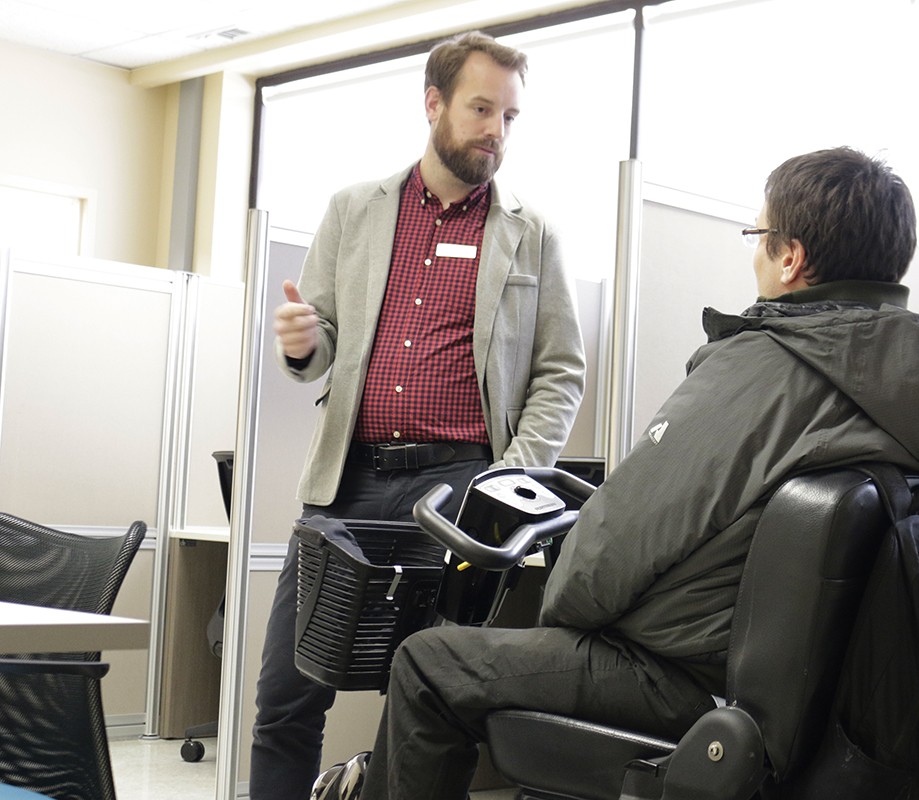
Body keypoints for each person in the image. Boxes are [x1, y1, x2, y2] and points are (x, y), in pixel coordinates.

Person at [357, 146, 919, 799]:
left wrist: (562, 596)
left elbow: (595, 573)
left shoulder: (761, 369)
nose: (755, 254)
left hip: (689, 684)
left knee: (429, 663)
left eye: (758, 236)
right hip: (826, 715)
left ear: (790, 258)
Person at [252, 30, 586, 800]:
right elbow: (321, 339)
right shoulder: (356, 210)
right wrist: (305, 344)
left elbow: (559, 372)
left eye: (509, 117)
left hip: (460, 494)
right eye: (480, 109)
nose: (495, 132)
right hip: (349, 485)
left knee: (417, 701)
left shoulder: (530, 232)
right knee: (286, 692)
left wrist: (511, 476)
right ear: (433, 103)